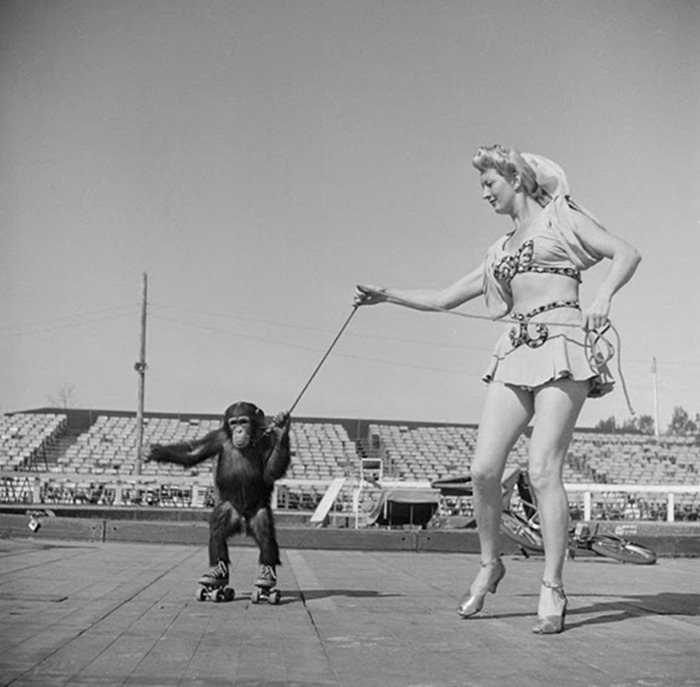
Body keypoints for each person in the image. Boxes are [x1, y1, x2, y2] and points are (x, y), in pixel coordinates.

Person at [354, 145, 641, 634]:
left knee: (542, 468)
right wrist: (388, 295)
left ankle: (552, 586)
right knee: (483, 469)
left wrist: (603, 296)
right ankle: (491, 563)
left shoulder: (561, 217)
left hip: (564, 342)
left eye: (489, 184)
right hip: (514, 349)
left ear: (516, 177)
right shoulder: (498, 250)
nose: (484, 194)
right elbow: (445, 297)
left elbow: (626, 253)